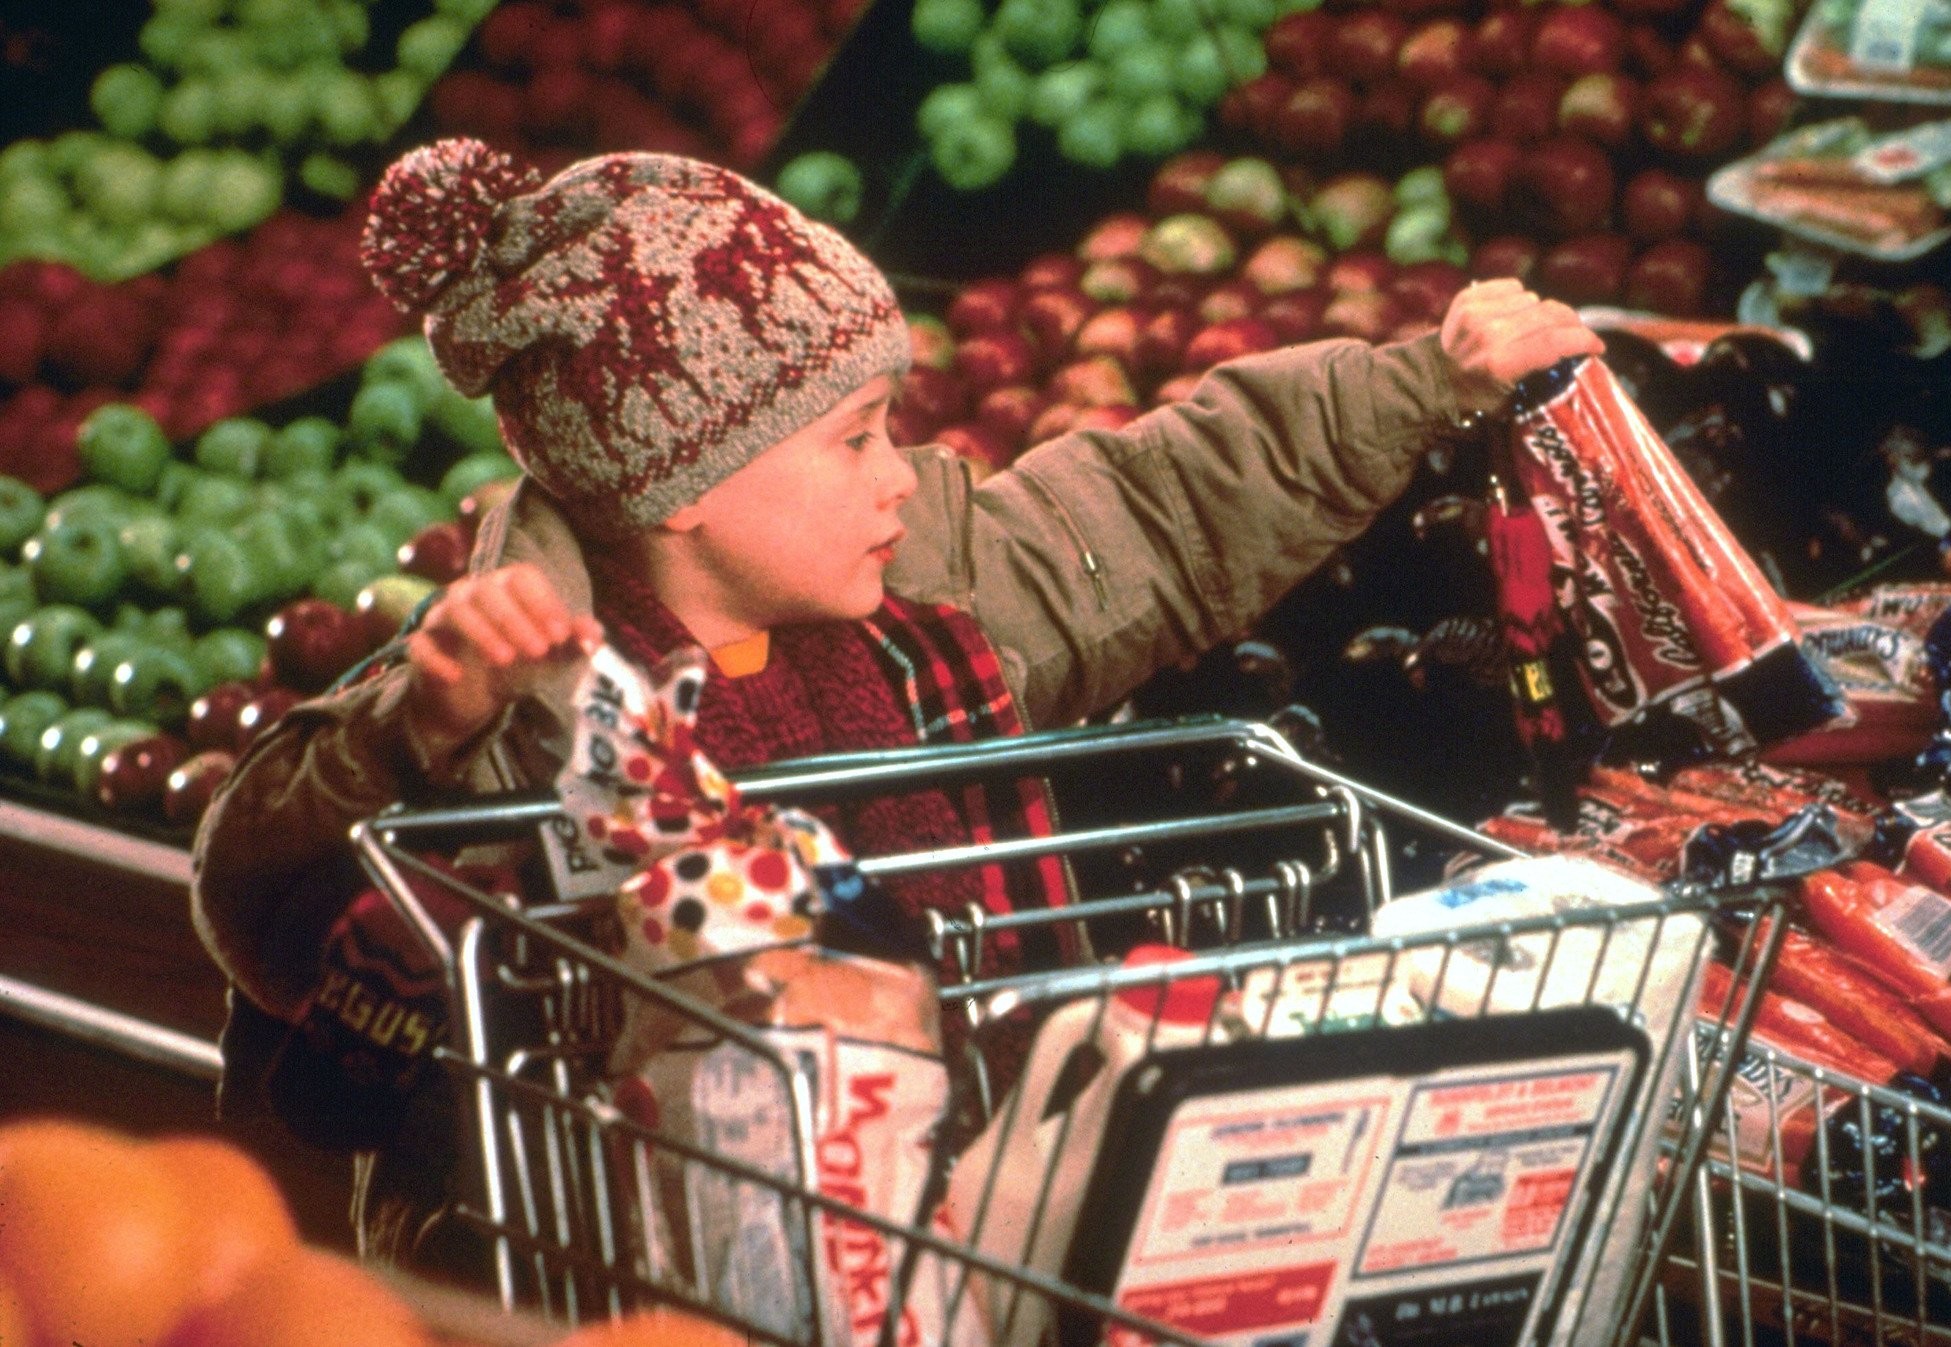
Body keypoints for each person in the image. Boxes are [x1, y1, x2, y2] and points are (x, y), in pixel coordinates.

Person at [190, 137, 1602, 1267]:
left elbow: (1166, 508)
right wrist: (415, 739)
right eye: (855, 438)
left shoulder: (934, 600)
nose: (896, 473)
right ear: (678, 480)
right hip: (616, 1270)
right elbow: (266, 894)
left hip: (940, 1236)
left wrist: (1422, 384)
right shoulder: (522, 696)